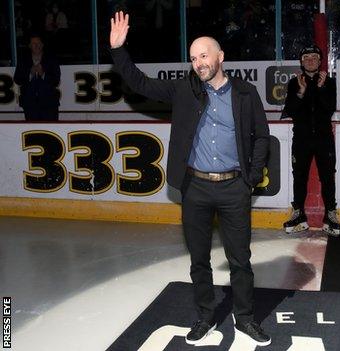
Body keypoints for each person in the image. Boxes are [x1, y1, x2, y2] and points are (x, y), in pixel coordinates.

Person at [109, 12, 271, 346]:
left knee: (240, 259)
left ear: (220, 57)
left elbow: (262, 137)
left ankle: (246, 319)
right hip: (195, 187)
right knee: (199, 259)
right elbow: (139, 83)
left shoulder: (244, 93)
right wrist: (118, 51)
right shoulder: (183, 90)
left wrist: (250, 179)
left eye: (204, 55)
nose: (199, 62)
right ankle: (205, 317)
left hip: (233, 188)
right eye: (194, 58)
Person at [281, 45, 340, 237]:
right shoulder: (294, 83)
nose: (310, 60)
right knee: (299, 176)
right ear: (301, 61)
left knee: (327, 176)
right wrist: (300, 92)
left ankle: (330, 214)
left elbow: (329, 108)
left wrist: (321, 88)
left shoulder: (330, 82)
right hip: (301, 137)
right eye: (306, 57)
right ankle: (298, 213)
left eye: (314, 57)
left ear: (320, 60)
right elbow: (290, 110)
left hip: (324, 137)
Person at [13, 35, 60, 121]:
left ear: (42, 45)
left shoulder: (51, 59)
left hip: (49, 104)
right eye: (33, 43)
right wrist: (30, 74)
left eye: (38, 43)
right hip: (30, 104)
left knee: (50, 131)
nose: (36, 45)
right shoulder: (23, 60)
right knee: (32, 133)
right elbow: (17, 79)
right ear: (29, 46)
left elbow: (56, 81)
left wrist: (43, 74)